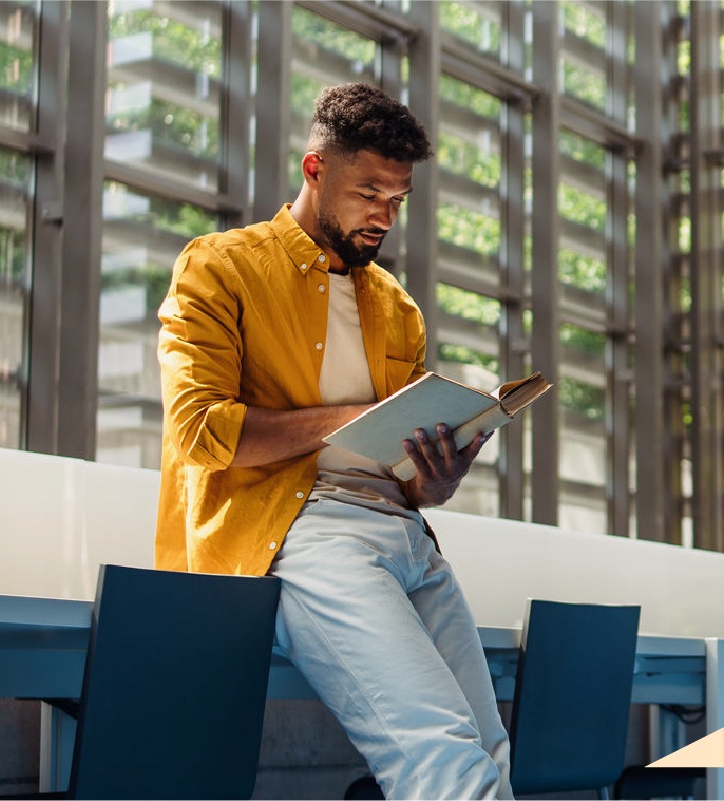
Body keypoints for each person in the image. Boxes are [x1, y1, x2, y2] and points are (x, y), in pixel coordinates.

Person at [155, 83, 512, 800]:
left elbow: (408, 476)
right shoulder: (220, 266)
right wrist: (353, 413)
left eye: (398, 199)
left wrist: (434, 477)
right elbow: (199, 429)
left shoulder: (396, 308)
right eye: (367, 192)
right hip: (305, 535)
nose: (383, 215)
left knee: (490, 750)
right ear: (315, 170)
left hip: (408, 538)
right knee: (443, 758)